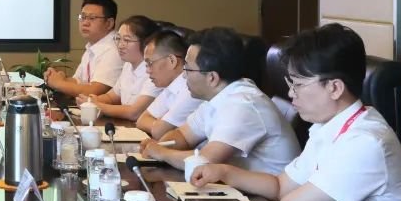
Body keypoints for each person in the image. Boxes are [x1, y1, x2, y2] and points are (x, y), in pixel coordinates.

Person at [192, 24, 401, 201]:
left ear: (334, 88)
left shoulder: (366, 141)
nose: (291, 94)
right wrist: (224, 172)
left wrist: (289, 194)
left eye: (298, 84)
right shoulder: (328, 126)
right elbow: (281, 186)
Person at [140, 27, 299, 175]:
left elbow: (204, 161)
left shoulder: (243, 105)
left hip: (261, 195)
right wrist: (159, 146)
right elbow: (183, 135)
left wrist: (162, 153)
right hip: (232, 186)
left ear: (212, 77)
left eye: (187, 69)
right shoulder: (217, 96)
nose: (183, 75)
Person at [43, 0, 124, 99]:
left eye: (92, 18)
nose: (85, 23)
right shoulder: (93, 46)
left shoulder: (115, 50)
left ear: (109, 23)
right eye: (83, 17)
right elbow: (78, 81)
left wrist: (58, 83)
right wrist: (58, 78)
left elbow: (94, 91)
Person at [86, 15, 161, 121]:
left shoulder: (155, 71)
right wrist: (90, 101)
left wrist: (98, 106)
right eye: (118, 39)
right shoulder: (128, 65)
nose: (120, 45)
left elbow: (134, 113)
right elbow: (111, 97)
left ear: (146, 43)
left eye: (126, 40)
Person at [134, 30, 203, 139]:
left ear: (172, 61)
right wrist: (158, 124)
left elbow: (159, 131)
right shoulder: (171, 86)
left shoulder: (191, 89)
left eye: (150, 63)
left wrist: (159, 124)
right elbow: (141, 120)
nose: (147, 70)